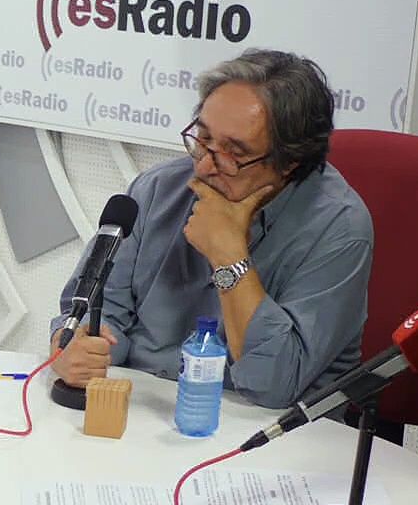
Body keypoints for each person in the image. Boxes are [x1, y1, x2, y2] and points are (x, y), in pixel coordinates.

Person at [51, 48, 374, 409]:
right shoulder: (158, 189)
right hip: (145, 408)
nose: (204, 166)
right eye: (203, 138)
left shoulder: (340, 229)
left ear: (290, 162)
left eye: (233, 153)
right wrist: (75, 344)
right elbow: (97, 311)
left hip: (263, 426)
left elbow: (274, 384)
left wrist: (229, 256)